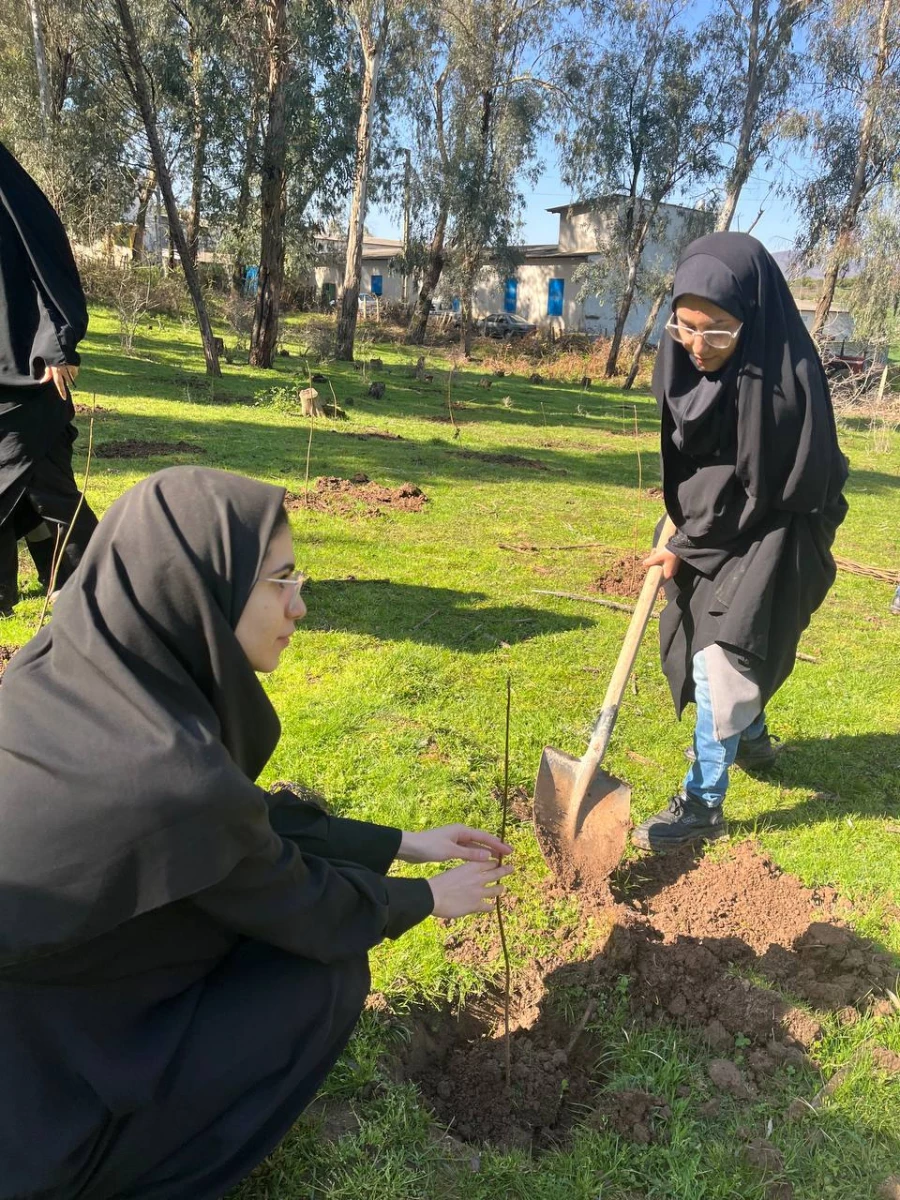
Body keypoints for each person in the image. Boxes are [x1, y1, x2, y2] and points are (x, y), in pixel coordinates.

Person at [0, 465, 513, 1200]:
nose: (300, 605)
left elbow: (240, 824)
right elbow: (305, 907)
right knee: (321, 977)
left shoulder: (63, 673)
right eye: (281, 579)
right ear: (197, 589)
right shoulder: (169, 781)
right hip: (42, 1123)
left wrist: (403, 841)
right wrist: (428, 898)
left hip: (41, 1023)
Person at [632, 232, 848, 852]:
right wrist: (684, 522)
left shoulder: (785, 387)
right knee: (703, 626)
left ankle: (702, 803)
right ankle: (750, 736)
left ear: (750, 320)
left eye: (718, 332)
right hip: (714, 515)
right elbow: (695, 457)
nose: (698, 347)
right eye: (685, 327)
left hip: (780, 519)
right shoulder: (682, 359)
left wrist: (689, 542)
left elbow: (762, 488)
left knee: (725, 650)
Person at [0, 140, 98, 614]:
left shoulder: (12, 190)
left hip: (30, 366)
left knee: (44, 477)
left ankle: (88, 579)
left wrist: (58, 343)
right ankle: (42, 578)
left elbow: (49, 262)